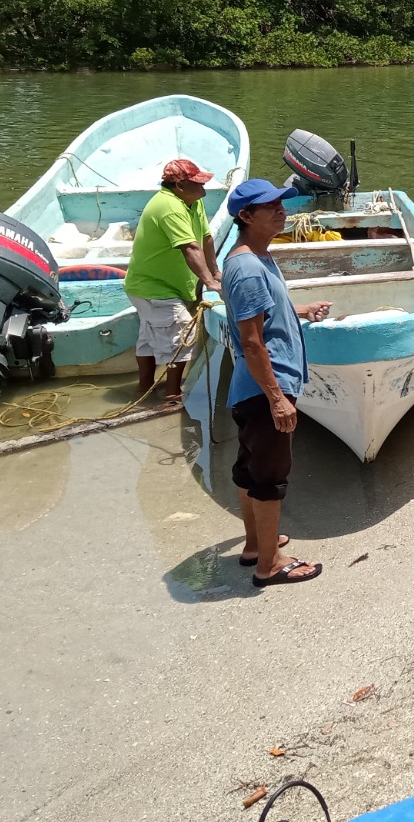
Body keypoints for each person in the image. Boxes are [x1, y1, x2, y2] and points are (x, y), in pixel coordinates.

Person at [221, 178, 333, 588]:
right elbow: (251, 342)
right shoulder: (249, 267)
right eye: (270, 207)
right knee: (269, 479)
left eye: (281, 204)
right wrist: (277, 399)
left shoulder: (254, 259)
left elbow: (261, 319)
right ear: (246, 216)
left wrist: (299, 310)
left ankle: (254, 546)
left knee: (250, 471)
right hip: (266, 389)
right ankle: (270, 564)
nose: (281, 211)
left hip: (249, 389)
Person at [123, 158, 223, 404]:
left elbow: (206, 238)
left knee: (148, 339)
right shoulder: (169, 206)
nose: (204, 189)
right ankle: (172, 396)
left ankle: (144, 389)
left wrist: (215, 272)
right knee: (182, 336)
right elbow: (190, 247)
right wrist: (209, 282)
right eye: (198, 183)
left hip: (163, 287)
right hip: (153, 288)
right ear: (179, 185)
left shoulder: (193, 202)